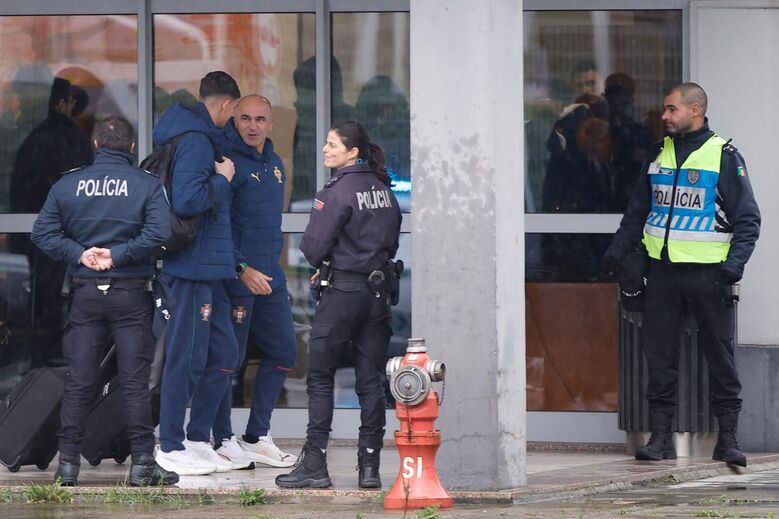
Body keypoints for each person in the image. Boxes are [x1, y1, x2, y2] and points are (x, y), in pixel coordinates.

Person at [604, 83, 761, 467]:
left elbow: (748, 219)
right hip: (663, 274)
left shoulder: (723, 156)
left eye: (671, 109)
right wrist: (617, 253)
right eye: (664, 109)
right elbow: (638, 210)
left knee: (719, 356)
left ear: (695, 110)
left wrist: (733, 266)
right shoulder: (659, 153)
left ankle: (728, 439)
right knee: (659, 357)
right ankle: (660, 439)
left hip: (710, 276)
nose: (664, 116)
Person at [30, 115, 175, 487]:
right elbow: (161, 233)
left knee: (79, 381)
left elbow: (42, 233)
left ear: (94, 145)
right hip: (130, 292)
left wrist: (81, 254)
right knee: (133, 380)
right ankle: (142, 463)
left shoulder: (69, 184)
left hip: (85, 292)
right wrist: (119, 255)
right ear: (130, 147)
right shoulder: (146, 184)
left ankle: (68, 467)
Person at [276, 121, 402, 490]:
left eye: (332, 145)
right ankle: (369, 468)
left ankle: (314, 463)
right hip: (377, 295)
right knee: (371, 382)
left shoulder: (335, 192)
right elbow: (388, 245)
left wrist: (331, 263)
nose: (325, 149)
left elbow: (313, 248)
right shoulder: (383, 189)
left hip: (342, 295)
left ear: (353, 152)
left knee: (319, 377)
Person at [152, 71, 242, 476]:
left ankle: (196, 437)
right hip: (190, 267)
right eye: (235, 112)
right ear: (225, 106)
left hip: (209, 267)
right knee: (185, 359)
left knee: (223, 354)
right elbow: (188, 201)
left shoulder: (201, 138)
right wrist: (222, 181)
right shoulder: (196, 141)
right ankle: (170, 444)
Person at [210, 94, 298, 470]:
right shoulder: (228, 164)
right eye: (244, 118)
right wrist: (240, 268)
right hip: (239, 278)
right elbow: (219, 225)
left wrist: (268, 270)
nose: (252, 126)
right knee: (230, 360)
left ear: (270, 123)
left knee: (284, 351)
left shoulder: (275, 163)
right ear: (235, 120)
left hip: (271, 279)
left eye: (260, 119)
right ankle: (222, 440)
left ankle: (256, 436)